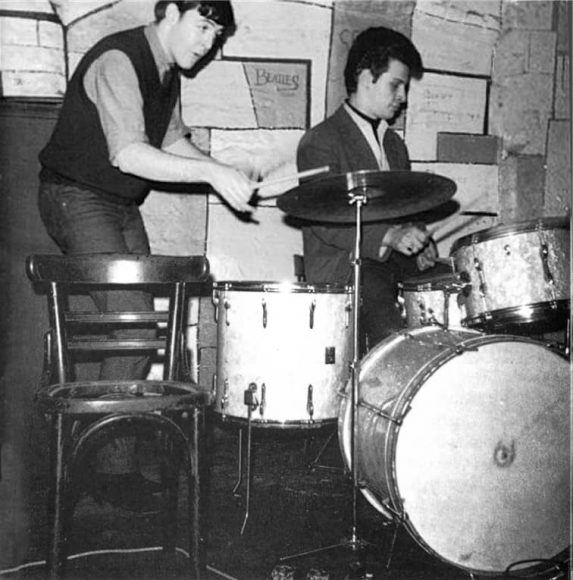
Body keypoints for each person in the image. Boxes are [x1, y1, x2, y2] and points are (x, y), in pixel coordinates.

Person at [38, 0, 253, 511]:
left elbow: (172, 140)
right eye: (202, 27)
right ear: (171, 12)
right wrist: (214, 175)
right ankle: (100, 470)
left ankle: (102, 464)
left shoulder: (164, 72)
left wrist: (225, 172)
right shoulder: (119, 58)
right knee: (132, 328)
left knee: (137, 329)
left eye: (216, 35)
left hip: (114, 201)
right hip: (74, 195)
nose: (207, 44)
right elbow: (128, 153)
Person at [297, 26, 449, 353]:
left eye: (404, 88)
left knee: (450, 286)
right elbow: (322, 220)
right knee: (383, 304)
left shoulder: (395, 146)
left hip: (389, 268)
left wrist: (420, 241)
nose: (403, 97)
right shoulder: (320, 141)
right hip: (344, 273)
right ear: (367, 78)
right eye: (396, 85)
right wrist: (389, 237)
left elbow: (407, 214)